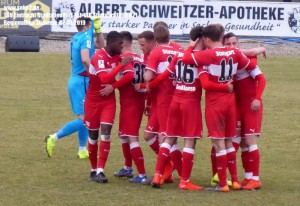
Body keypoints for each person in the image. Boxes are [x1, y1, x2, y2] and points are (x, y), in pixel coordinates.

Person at [183, 23, 259, 192]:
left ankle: (223, 184)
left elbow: (186, 59)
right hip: (231, 102)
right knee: (229, 141)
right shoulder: (234, 52)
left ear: (207, 39)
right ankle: (235, 181)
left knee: (219, 144)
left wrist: (190, 46)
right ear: (222, 36)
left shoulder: (208, 54)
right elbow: (251, 66)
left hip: (215, 103)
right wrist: (256, 53)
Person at [142, 26, 207, 190]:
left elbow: (164, 75)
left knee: (168, 137)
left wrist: (147, 85)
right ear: (201, 39)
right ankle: (185, 181)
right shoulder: (202, 57)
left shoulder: (180, 56)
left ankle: (158, 175)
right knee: (189, 140)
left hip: (175, 101)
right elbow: (207, 82)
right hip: (189, 102)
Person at [44, 17, 104, 159]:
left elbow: (101, 44)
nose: (91, 29)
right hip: (81, 81)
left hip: (80, 80)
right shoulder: (85, 38)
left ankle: (82, 149)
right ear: (86, 27)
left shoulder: (77, 37)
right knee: (85, 119)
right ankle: (54, 137)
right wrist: (96, 74)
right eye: (91, 26)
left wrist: (98, 31)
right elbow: (85, 59)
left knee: (85, 117)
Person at [84, 31, 132, 183]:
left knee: (106, 131)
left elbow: (130, 75)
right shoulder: (99, 57)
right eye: (119, 43)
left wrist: (114, 87)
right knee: (93, 136)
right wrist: (120, 66)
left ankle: (100, 170)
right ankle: (93, 170)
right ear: (110, 43)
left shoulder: (119, 57)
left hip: (108, 101)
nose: (122, 46)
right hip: (93, 101)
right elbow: (104, 78)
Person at [101, 31, 148, 183]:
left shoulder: (125, 58)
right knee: (123, 135)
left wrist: (112, 86)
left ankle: (142, 175)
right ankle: (127, 168)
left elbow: (129, 76)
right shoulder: (139, 57)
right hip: (135, 101)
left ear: (123, 43)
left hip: (131, 103)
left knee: (132, 136)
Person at [223, 32, 266, 190]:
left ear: (239, 44)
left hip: (251, 106)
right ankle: (248, 176)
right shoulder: (227, 62)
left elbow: (261, 79)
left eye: (234, 43)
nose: (231, 47)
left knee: (249, 141)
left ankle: (256, 178)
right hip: (238, 107)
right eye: (228, 44)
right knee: (241, 142)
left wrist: (257, 98)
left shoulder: (247, 61)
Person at [143, 25, 183, 182]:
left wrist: (145, 76)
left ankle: (181, 175)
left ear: (155, 38)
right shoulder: (180, 50)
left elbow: (148, 76)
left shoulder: (157, 52)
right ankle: (169, 167)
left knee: (167, 138)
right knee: (148, 135)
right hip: (164, 100)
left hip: (166, 100)